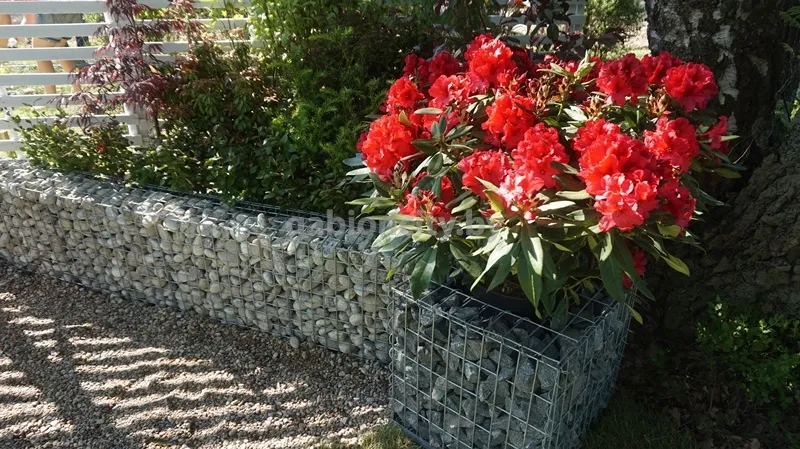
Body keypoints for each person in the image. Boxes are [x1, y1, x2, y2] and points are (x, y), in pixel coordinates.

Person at [32, 13, 84, 94]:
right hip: (72, 15)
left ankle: (50, 95)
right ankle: (77, 91)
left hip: (51, 16)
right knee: (61, 48)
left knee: (41, 55)